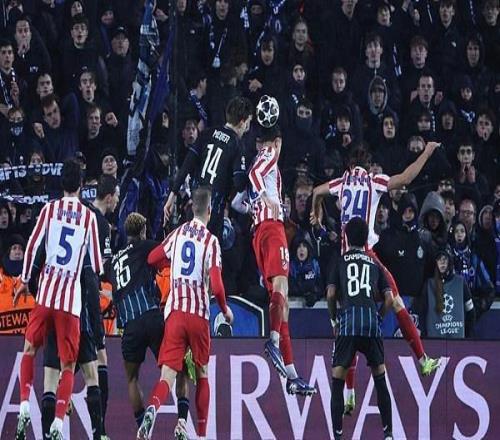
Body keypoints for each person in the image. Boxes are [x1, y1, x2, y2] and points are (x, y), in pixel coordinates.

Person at [311, 143, 441, 413]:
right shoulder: (373, 181)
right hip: (367, 258)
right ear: (367, 167)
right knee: (396, 301)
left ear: (349, 166)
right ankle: (422, 359)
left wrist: (317, 213)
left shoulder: (341, 182)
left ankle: (349, 395)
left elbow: (316, 191)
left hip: (344, 263)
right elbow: (406, 178)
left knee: (347, 324)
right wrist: (428, 152)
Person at [14, 159, 103, 440]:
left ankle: (24, 403)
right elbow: (96, 264)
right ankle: (58, 423)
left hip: (45, 295)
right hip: (69, 303)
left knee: (29, 349)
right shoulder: (88, 217)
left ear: (61, 182)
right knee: (67, 366)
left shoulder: (49, 209)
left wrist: (25, 279)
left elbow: (32, 245)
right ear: (81, 185)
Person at [137, 187, 233, 440]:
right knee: (201, 373)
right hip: (198, 314)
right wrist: (225, 310)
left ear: (192, 209)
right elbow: (217, 285)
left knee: (168, 374)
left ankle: (153, 409)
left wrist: (171, 262)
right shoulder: (211, 241)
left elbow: (152, 258)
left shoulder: (178, 233)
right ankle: (200, 434)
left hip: (175, 313)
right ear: (209, 211)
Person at [106, 212, 190, 439]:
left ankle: (142, 425)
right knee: (179, 369)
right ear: (143, 231)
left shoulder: (113, 262)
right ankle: (182, 421)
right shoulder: (145, 247)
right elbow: (166, 252)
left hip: (129, 327)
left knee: (132, 379)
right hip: (152, 317)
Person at [248, 125, 316, 396]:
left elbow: (242, 200)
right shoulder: (270, 151)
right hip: (271, 228)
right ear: (277, 141)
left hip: (260, 232)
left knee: (282, 304)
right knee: (282, 287)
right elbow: (255, 175)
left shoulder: (260, 157)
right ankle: (273, 342)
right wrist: (267, 198)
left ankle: (291, 375)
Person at [329, 217, 394, 440]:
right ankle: (388, 434)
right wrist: (378, 318)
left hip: (348, 323)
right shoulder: (374, 263)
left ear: (346, 238)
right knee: (380, 378)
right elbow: (389, 298)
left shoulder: (340, 261)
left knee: (338, 379)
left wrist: (334, 320)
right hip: (370, 323)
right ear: (366, 239)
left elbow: (330, 294)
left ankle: (338, 435)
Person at [164, 96, 253, 239]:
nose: (247, 128)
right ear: (242, 122)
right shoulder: (237, 144)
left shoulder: (208, 133)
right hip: (213, 214)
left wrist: (172, 195)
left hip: (195, 208)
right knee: (209, 251)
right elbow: (239, 183)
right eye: (248, 123)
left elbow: (187, 165)